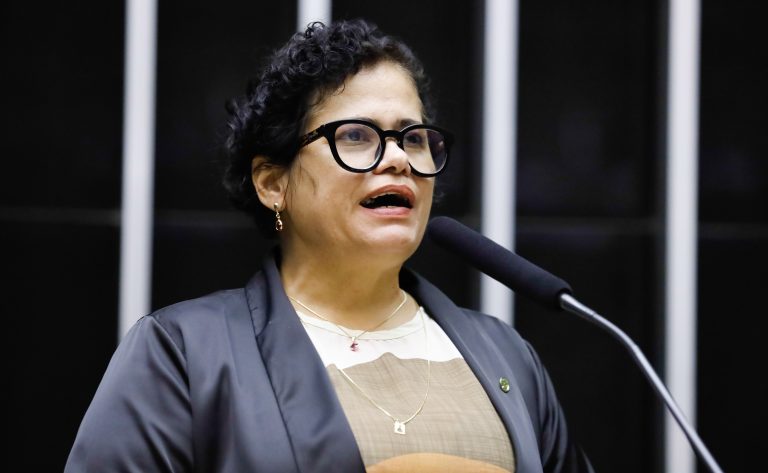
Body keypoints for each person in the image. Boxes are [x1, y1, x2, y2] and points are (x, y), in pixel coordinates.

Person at [65, 19, 593, 473]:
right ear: (273, 182)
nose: (398, 160)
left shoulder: (507, 356)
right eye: (357, 136)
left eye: (413, 138)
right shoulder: (183, 353)